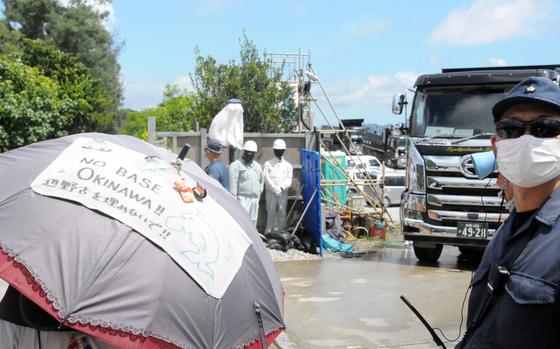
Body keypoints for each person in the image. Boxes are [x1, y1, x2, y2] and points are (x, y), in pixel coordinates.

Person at [457, 76, 560, 348]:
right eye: (511, 129)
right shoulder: (506, 232)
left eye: (544, 128)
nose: (526, 139)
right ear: (496, 145)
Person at [229, 140, 264, 225]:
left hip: (254, 199)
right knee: (242, 221)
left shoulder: (257, 166)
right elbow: (233, 184)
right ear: (244, 151)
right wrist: (234, 201)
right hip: (242, 198)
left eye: (252, 152)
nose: (249, 154)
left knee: (253, 221)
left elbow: (261, 180)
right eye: (247, 152)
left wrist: (258, 195)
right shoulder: (236, 165)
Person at [264, 139, 293, 234]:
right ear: (274, 150)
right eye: (277, 150)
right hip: (271, 193)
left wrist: (281, 188)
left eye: (281, 150)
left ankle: (281, 232)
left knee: (282, 213)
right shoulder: (268, 164)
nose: (279, 151)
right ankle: (269, 232)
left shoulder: (288, 165)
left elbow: (289, 179)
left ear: (284, 151)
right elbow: (266, 178)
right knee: (270, 212)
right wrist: (274, 188)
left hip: (282, 193)